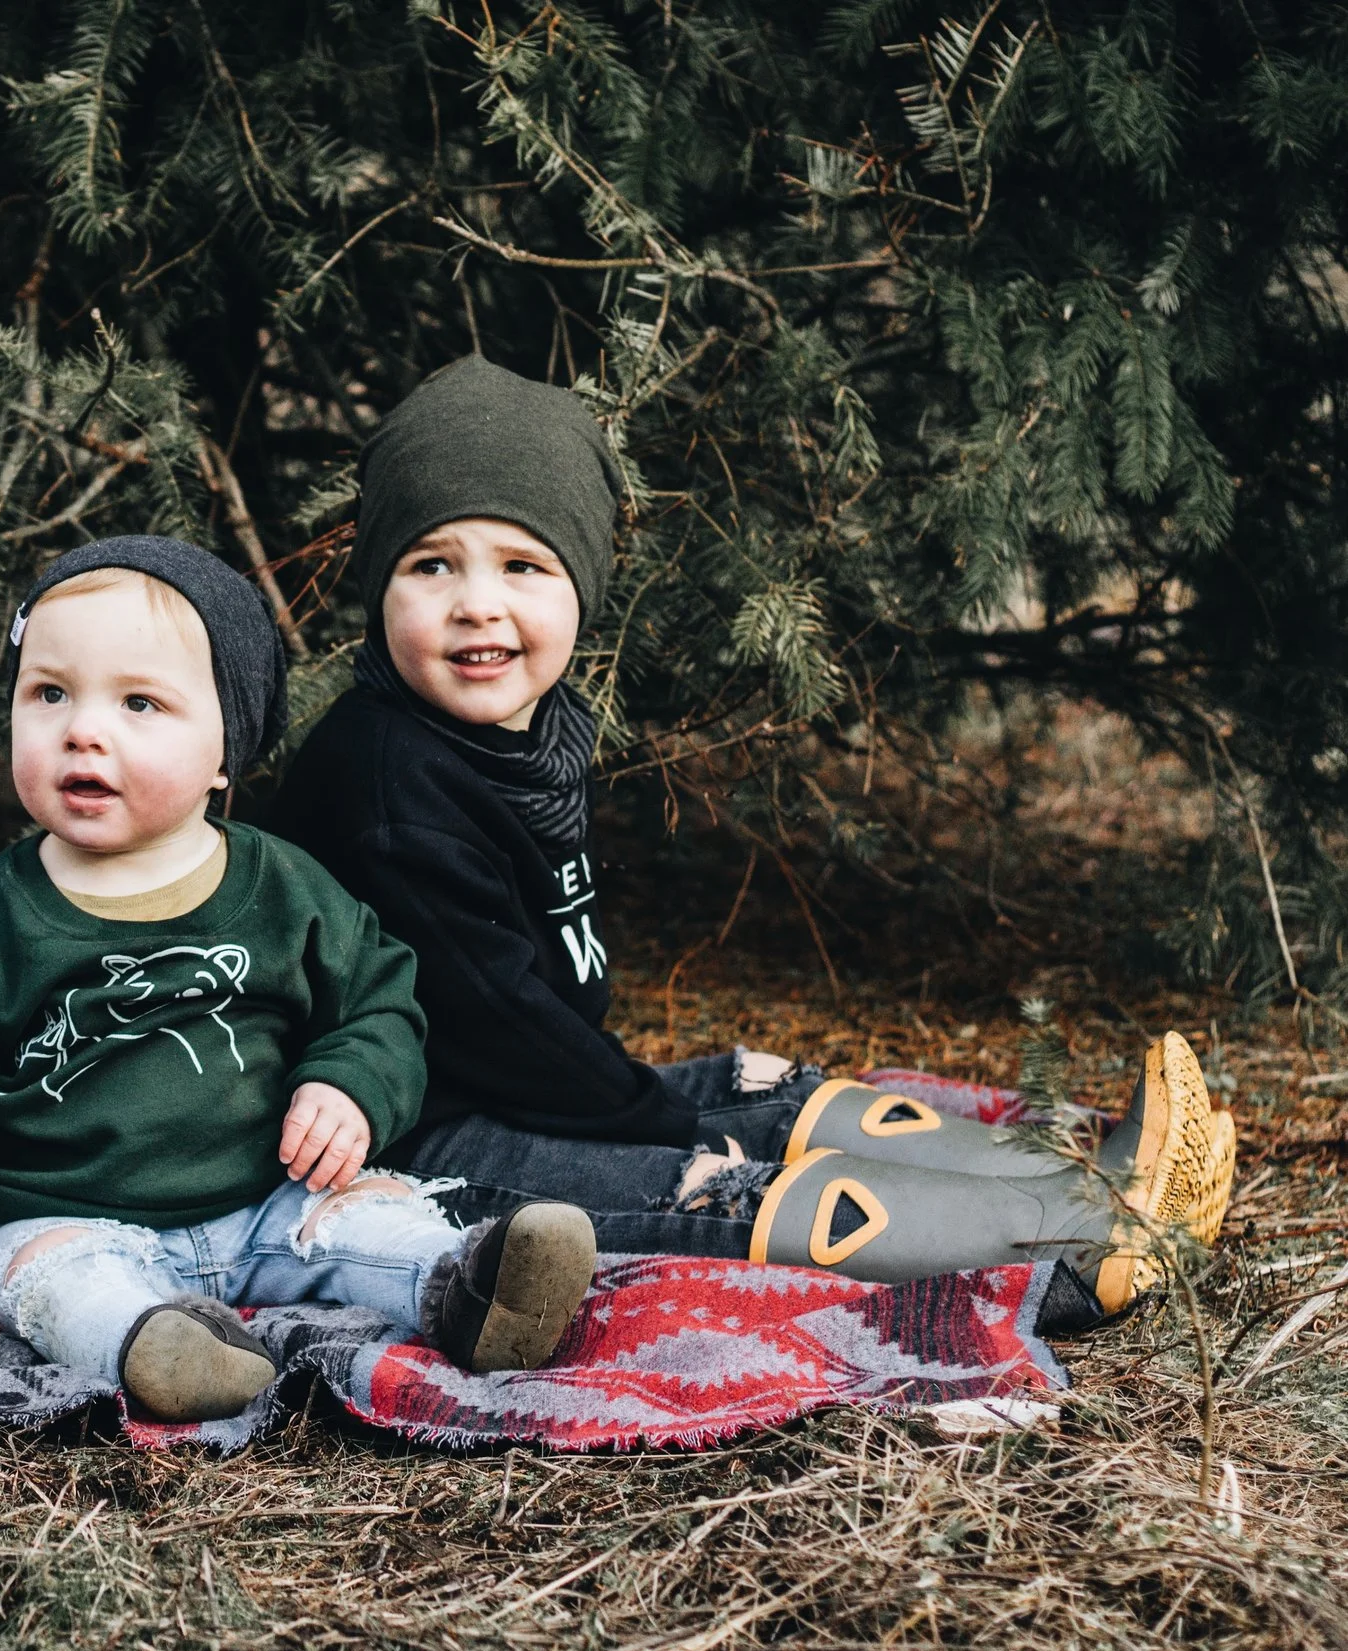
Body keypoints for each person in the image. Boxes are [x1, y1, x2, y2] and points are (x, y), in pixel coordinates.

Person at [267, 356, 1237, 1321]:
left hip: (515, 1078)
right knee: (703, 1182)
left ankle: (1086, 1172)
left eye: (521, 565)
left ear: (582, 585)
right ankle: (1078, 1244)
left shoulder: (520, 726)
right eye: (430, 564)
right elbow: (496, 1017)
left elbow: (536, 1018)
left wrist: (652, 1098)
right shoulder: (389, 779)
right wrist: (654, 1119)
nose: (476, 601)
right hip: (415, 1134)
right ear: (377, 584)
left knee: (752, 1086)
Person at [0, 538, 602, 1420]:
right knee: (47, 1277)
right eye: (50, 694)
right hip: (63, 1214)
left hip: (266, 1203)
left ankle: (470, 1288)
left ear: (228, 747)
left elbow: (381, 1004)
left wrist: (350, 1085)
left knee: (364, 1219)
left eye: (140, 702)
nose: (83, 729)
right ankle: (154, 1345)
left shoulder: (284, 890)